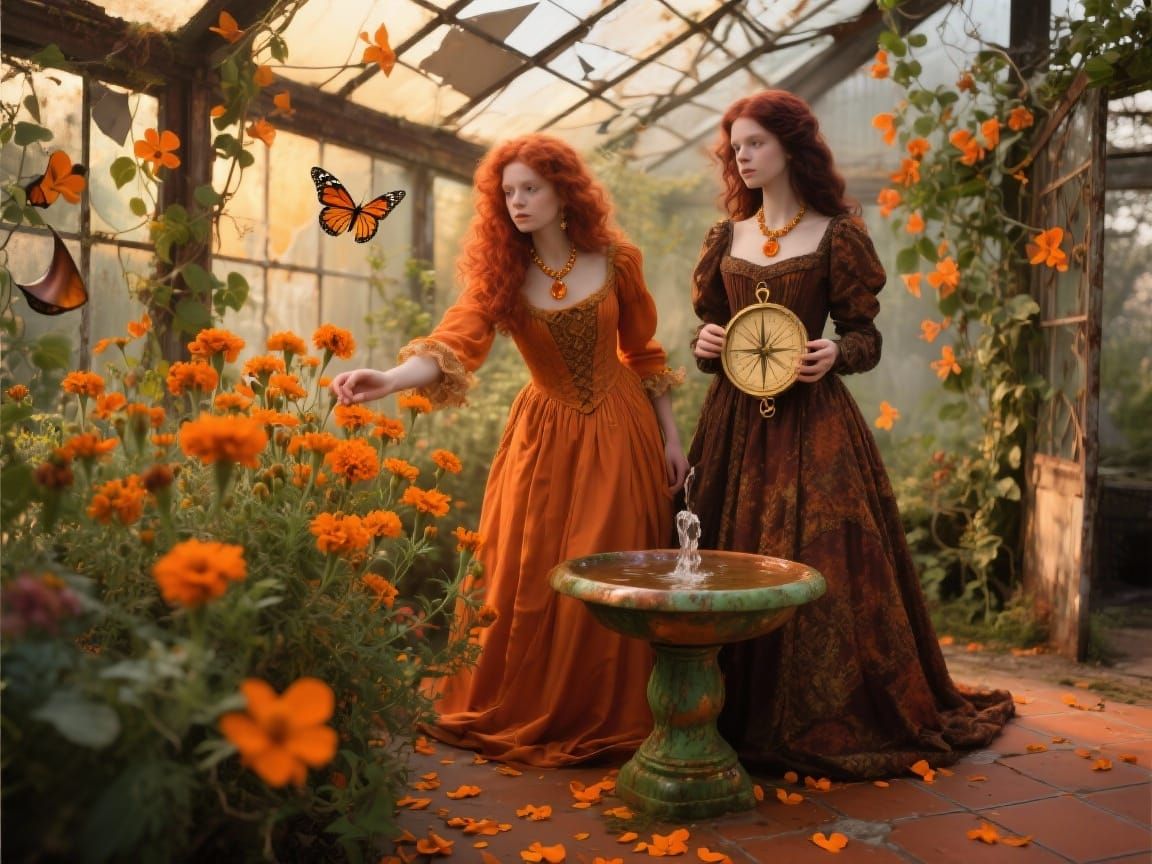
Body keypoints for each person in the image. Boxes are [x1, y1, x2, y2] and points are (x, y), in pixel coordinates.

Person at [331, 133, 689, 767]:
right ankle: (541, 700)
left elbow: (642, 354)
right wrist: (387, 380)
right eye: (509, 192)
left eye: (532, 188)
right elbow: (454, 343)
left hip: (622, 430)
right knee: (531, 572)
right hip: (544, 439)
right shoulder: (501, 277)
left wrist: (672, 436)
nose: (518, 202)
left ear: (563, 193)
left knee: (613, 569)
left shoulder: (617, 261)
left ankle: (613, 704)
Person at [686, 90, 1014, 779]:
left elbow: (864, 335)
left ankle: (817, 714)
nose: (741, 157)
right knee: (726, 556)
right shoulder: (727, 237)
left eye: (755, 144)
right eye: (735, 146)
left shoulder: (837, 233)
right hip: (734, 428)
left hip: (815, 427)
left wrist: (837, 353)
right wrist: (706, 342)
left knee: (828, 562)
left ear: (791, 148)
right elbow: (707, 333)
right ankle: (725, 708)